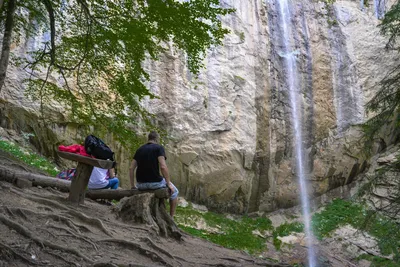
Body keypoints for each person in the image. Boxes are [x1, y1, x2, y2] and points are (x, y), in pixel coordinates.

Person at [129, 131, 179, 217]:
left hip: (141, 185)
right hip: (155, 183)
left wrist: (133, 185)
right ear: (156, 139)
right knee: (175, 192)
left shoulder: (140, 150)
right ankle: (171, 218)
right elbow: (163, 166)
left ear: (148, 139)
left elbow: (131, 168)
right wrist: (168, 183)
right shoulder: (158, 148)